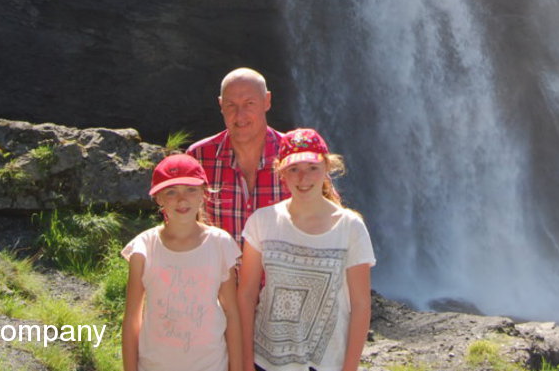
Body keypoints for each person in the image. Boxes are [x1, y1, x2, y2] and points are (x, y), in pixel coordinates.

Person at [238, 128, 374, 371]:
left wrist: (350, 368)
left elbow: (361, 304)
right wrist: (246, 362)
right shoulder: (262, 221)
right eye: (294, 169)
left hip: (326, 363)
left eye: (312, 168)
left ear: (327, 167)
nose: (303, 178)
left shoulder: (350, 227)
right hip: (266, 361)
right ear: (281, 172)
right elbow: (247, 294)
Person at [120, 153, 245, 371]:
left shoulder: (220, 243)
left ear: (203, 193)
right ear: (158, 198)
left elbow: (232, 314)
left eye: (190, 189)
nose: (182, 199)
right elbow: (132, 319)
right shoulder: (143, 248)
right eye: (171, 192)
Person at [187, 67, 289, 244]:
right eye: (231, 105)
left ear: (267, 101)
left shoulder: (294, 155)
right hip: (218, 263)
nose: (240, 115)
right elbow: (178, 226)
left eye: (249, 103)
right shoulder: (198, 158)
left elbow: (328, 216)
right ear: (221, 105)